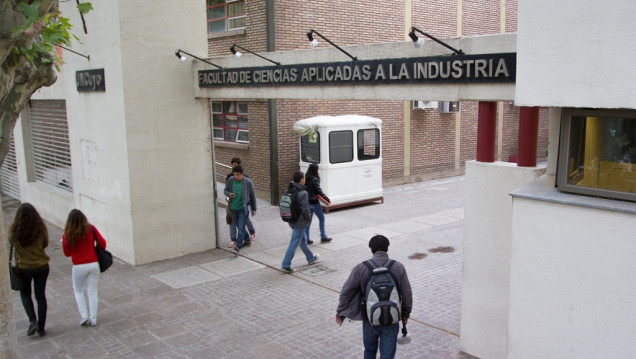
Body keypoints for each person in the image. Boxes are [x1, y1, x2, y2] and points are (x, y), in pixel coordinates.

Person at [335, 235, 413, 359]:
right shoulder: (398, 267)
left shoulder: (361, 268)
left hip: (369, 319)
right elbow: (407, 293)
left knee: (370, 351)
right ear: (387, 248)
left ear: (371, 248)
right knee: (387, 354)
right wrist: (405, 314)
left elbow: (346, 292)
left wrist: (340, 312)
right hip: (392, 320)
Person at [8, 203, 50, 337]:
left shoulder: (14, 229)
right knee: (40, 296)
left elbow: (11, 242)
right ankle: (41, 327)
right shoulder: (40, 227)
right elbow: (46, 243)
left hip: (24, 267)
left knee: (25, 294)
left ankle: (32, 320)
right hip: (41, 265)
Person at [62, 209, 107, 327]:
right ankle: (93, 318)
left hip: (78, 266)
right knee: (92, 291)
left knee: (78, 290)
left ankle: (84, 316)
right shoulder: (90, 229)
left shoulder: (67, 235)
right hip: (93, 264)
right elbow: (102, 242)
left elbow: (67, 253)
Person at [280, 171, 320, 273]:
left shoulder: (289, 190)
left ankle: (310, 258)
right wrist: (308, 218)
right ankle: (285, 264)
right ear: (301, 179)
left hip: (291, 219)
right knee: (294, 242)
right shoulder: (303, 193)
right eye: (304, 178)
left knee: (302, 240)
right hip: (300, 221)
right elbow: (305, 209)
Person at [224, 165, 257, 255]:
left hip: (243, 209)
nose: (236, 177)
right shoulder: (230, 180)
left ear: (242, 174)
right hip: (233, 209)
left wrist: (254, 208)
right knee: (239, 226)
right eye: (234, 174)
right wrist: (229, 194)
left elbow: (253, 196)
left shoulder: (248, 182)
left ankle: (238, 247)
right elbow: (225, 190)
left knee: (241, 228)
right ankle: (247, 240)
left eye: (238, 175)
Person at [303, 163, 332, 244]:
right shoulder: (315, 179)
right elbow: (319, 191)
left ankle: (306, 238)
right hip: (315, 203)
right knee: (322, 218)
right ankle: (323, 236)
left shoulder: (306, 179)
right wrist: (327, 199)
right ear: (316, 170)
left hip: (307, 203)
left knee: (308, 221)